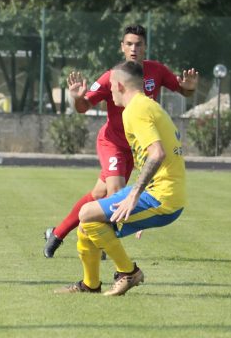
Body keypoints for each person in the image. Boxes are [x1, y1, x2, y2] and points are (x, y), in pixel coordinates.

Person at [43, 24, 198, 258]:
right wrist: (76, 98)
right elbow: (83, 107)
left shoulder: (157, 71)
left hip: (135, 148)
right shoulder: (111, 77)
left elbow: (184, 90)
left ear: (145, 47)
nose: (134, 48)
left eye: (139, 44)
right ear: (122, 47)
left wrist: (190, 88)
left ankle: (57, 233)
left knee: (98, 195)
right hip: (113, 143)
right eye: (129, 44)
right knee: (116, 192)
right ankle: (107, 248)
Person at [54, 60, 187, 296]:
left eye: (111, 87)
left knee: (87, 215)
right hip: (157, 191)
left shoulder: (136, 110)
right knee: (87, 226)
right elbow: (151, 158)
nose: (109, 92)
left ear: (119, 86)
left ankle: (129, 272)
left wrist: (134, 196)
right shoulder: (145, 106)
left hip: (162, 198)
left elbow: (157, 154)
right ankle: (90, 285)